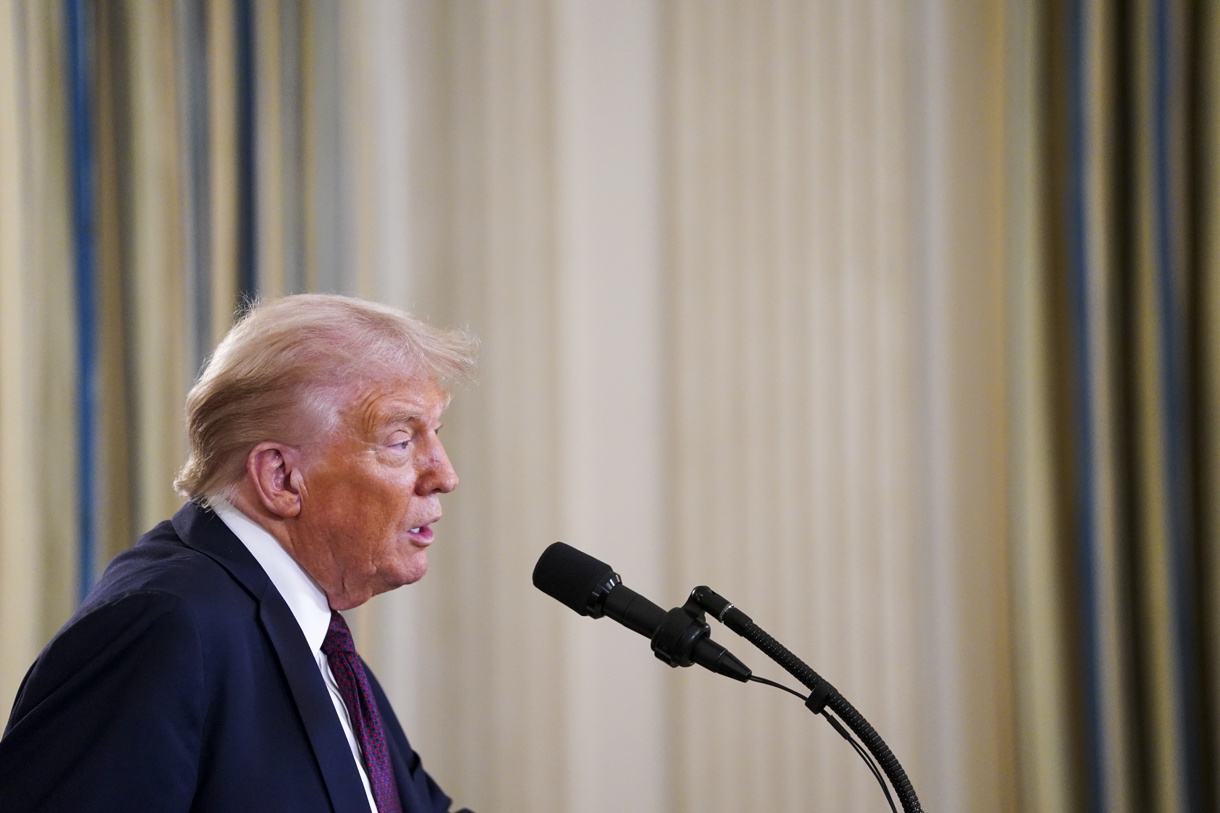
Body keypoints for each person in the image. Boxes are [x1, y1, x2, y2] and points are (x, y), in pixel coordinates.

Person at [0, 293, 477, 812]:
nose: (445, 475)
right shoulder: (165, 624)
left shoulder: (317, 638)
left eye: (435, 434)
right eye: (401, 440)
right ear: (281, 478)